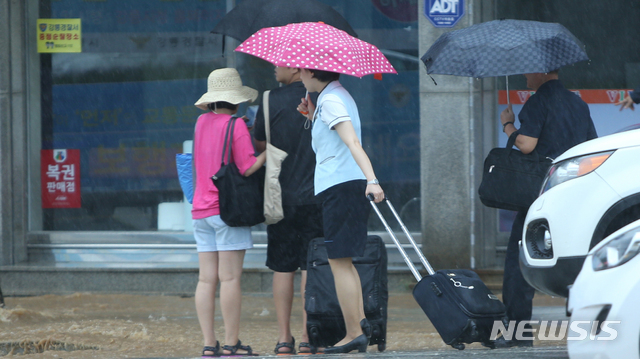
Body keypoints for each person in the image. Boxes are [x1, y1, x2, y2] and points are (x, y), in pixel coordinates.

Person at [497, 70, 597, 347]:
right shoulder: (578, 103)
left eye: (529, 71)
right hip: (572, 192)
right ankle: (587, 327)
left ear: (543, 71)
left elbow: (526, 145)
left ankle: (518, 333)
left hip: (539, 193)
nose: (525, 76)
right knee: (575, 259)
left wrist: (507, 124)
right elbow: (590, 145)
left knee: (519, 259)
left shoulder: (538, 101)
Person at [297, 68, 384, 354]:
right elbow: (335, 141)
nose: (298, 74)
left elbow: (352, 142)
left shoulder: (332, 100)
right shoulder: (330, 98)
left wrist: (372, 180)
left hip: (342, 187)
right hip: (343, 185)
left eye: (301, 69)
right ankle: (358, 327)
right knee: (342, 261)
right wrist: (312, 116)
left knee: (338, 261)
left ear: (312, 71)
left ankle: (353, 332)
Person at [191, 68, 265, 357]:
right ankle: (232, 344)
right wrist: (268, 152)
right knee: (231, 279)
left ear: (211, 101)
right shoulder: (235, 126)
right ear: (237, 100)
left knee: (206, 279)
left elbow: (213, 146)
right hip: (227, 211)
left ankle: (210, 345)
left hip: (200, 211)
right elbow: (247, 167)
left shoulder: (200, 122)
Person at [252, 67, 324, 355]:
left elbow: (260, 142)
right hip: (316, 194)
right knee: (310, 267)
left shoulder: (269, 100)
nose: (273, 67)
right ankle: (309, 336)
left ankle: (284, 338)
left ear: (295, 67)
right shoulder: (319, 97)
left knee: (282, 267)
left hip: (279, 195)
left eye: (279, 62)